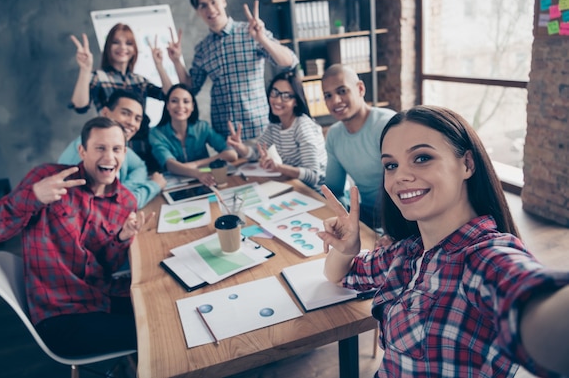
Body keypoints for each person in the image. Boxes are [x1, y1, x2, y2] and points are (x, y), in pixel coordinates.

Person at [317, 105, 569, 378]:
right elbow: (339, 276)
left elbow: (539, 310)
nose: (400, 176)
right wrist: (347, 249)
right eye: (391, 165)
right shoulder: (407, 252)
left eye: (422, 158)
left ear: (467, 164)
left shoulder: (487, 259)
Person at [0, 117, 145, 357]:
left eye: (116, 149)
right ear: (82, 150)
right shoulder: (48, 178)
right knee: (153, 332)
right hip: (60, 315)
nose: (109, 157)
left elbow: (105, 266)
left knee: (162, 309)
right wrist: (34, 196)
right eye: (100, 148)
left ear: (125, 152)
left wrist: (121, 238)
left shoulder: (126, 201)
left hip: (101, 296)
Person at [166, 0, 299, 139]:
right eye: (203, 6)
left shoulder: (250, 32)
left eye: (214, 1)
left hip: (259, 129)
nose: (210, 9)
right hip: (225, 134)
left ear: (223, 1)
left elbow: (289, 62)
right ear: (198, 11)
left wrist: (262, 39)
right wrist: (176, 61)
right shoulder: (202, 49)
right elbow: (191, 88)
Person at [69, 23, 172, 172]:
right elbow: (80, 106)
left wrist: (159, 66)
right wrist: (85, 70)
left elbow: (169, 96)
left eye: (128, 43)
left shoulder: (139, 80)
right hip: (113, 149)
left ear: (134, 49)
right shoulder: (99, 77)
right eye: (116, 42)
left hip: (144, 146)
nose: (123, 47)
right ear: (108, 47)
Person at [59, 89, 166, 209]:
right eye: (125, 113)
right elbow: (108, 210)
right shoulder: (85, 154)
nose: (132, 123)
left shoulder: (117, 145)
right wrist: (154, 186)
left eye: (137, 119)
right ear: (105, 113)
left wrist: (123, 190)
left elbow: (140, 166)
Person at [321, 64, 396, 229]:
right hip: (367, 215)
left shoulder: (388, 125)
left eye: (342, 91)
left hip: (400, 216)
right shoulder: (334, 135)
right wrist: (345, 218)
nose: (335, 101)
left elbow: (407, 184)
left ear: (360, 89)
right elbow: (334, 190)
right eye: (328, 95)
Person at [227, 71, 326, 192]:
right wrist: (240, 146)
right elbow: (256, 153)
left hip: (317, 193)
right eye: (275, 92)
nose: (278, 100)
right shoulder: (276, 125)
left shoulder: (302, 127)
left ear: (296, 101)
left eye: (286, 96)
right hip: (295, 186)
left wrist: (279, 168)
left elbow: (314, 176)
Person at [149, 83, 238, 187]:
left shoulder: (202, 127)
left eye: (186, 101)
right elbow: (171, 165)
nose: (180, 106)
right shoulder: (156, 133)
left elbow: (232, 154)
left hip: (206, 181)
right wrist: (197, 172)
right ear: (167, 105)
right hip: (175, 185)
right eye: (174, 101)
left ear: (192, 106)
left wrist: (195, 164)